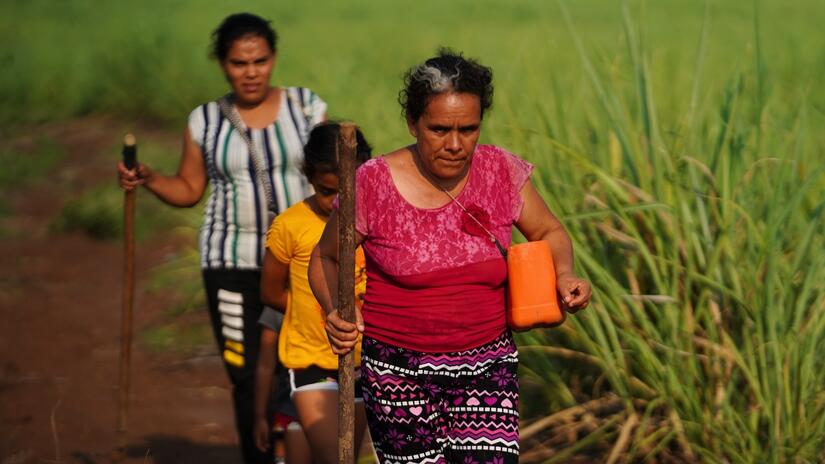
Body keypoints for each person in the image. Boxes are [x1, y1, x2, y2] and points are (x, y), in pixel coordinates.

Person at [308, 49, 592, 463]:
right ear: (412, 123)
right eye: (439, 129)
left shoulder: (500, 172)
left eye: (469, 129)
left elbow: (549, 231)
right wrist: (336, 310)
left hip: (487, 365)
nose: (456, 144)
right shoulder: (371, 184)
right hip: (396, 371)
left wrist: (564, 274)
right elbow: (325, 258)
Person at [117, 13, 327, 463]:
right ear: (223, 64)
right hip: (230, 265)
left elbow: (329, 179)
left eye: (260, 60)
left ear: (273, 59)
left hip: (299, 264)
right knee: (247, 372)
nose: (250, 72)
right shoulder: (205, 121)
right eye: (238, 63)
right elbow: (190, 190)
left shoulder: (307, 108)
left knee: (300, 363)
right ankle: (258, 455)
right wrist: (150, 178)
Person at [256, 122, 372, 464]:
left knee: (347, 454)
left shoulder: (374, 223)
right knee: (338, 458)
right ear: (309, 175)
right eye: (327, 191)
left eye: (347, 193)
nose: (338, 203)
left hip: (363, 362)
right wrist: (315, 313)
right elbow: (271, 292)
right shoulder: (290, 226)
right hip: (309, 359)